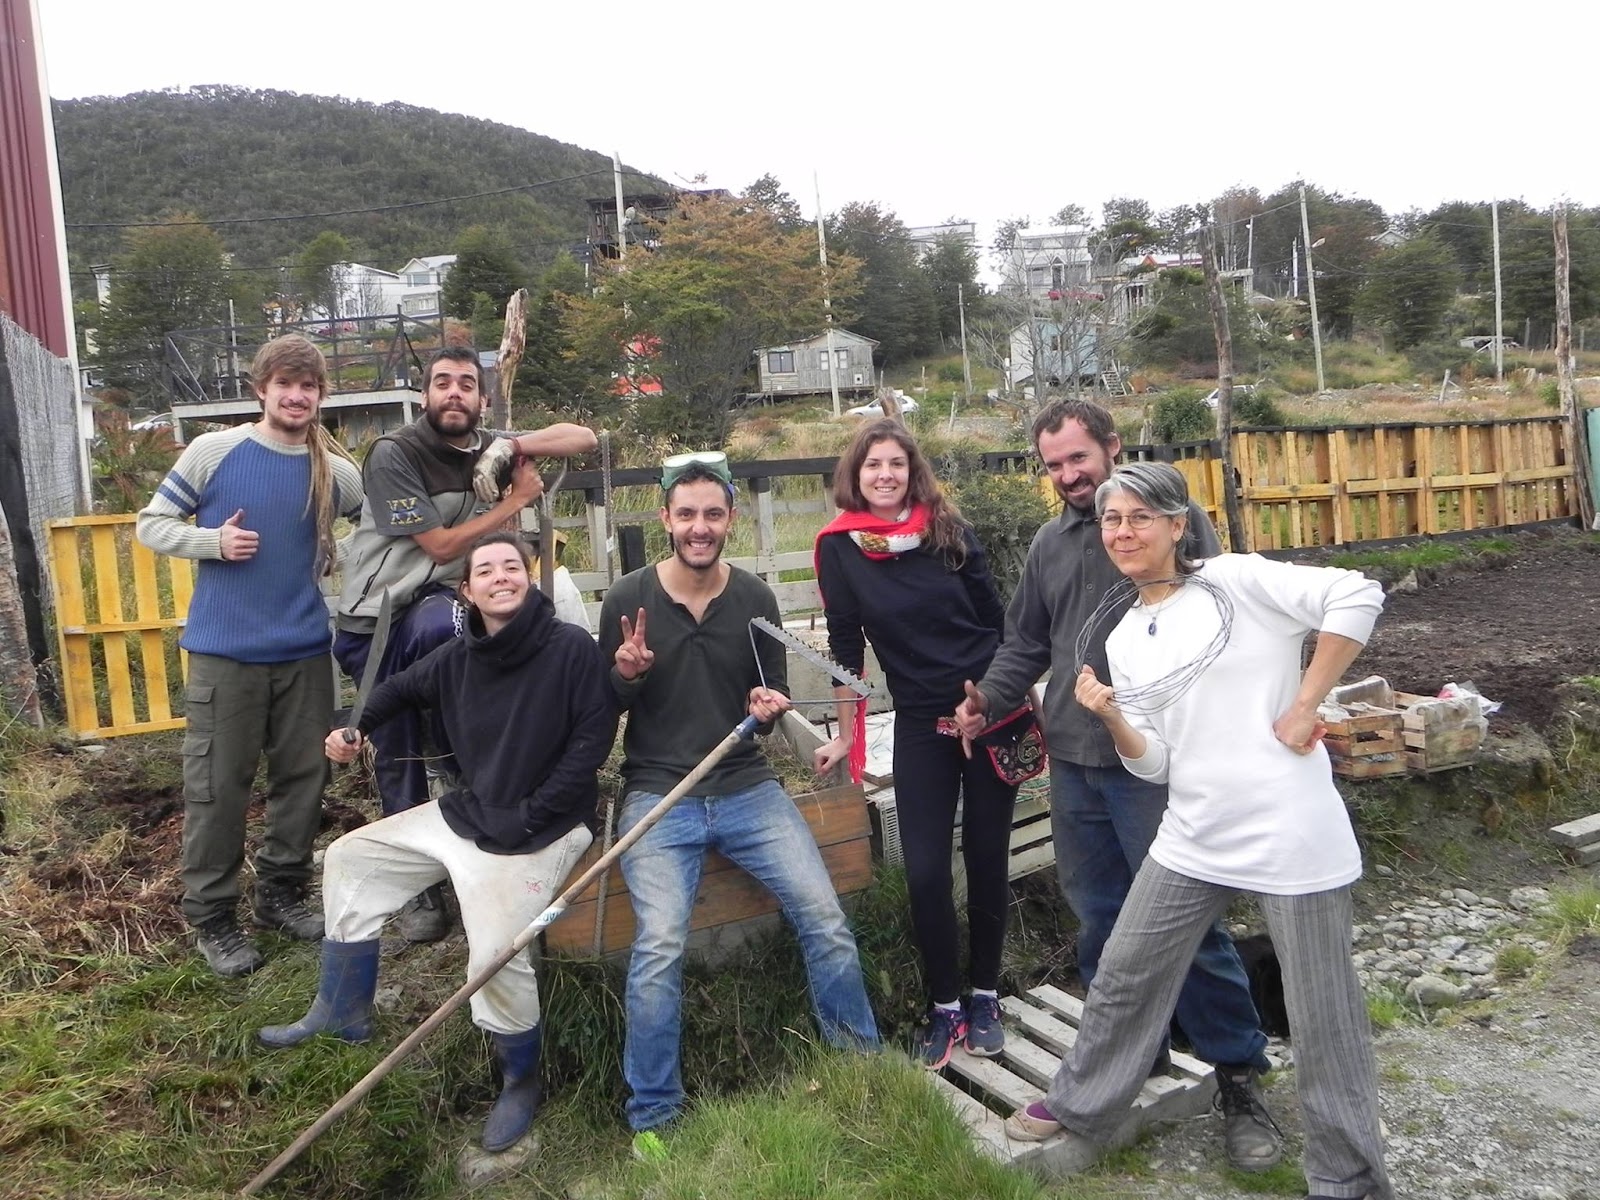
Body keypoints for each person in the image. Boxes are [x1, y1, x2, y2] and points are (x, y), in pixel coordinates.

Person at [1003, 462, 1391, 1200]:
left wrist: (1306, 703)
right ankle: (1083, 1107)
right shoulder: (1124, 634)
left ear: (1178, 525)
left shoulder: (1236, 580)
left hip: (1288, 831)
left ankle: (1348, 1179)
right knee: (1126, 971)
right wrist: (1112, 717)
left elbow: (1356, 593)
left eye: (1140, 518)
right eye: (1112, 520)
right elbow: (1155, 763)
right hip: (1192, 832)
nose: (1123, 532)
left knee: (1324, 1017)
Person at [953, 398, 1281, 1171]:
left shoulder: (1170, 522)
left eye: (1078, 457)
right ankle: (1135, 1055)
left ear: (1112, 446)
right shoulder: (1051, 543)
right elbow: (1027, 641)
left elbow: (1224, 621)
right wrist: (988, 700)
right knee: (1101, 921)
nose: (1068, 475)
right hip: (1075, 764)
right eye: (1054, 465)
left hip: (1158, 766)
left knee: (1189, 926)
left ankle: (1239, 1076)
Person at [259, 531, 616, 1155]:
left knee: (494, 956)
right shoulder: (456, 657)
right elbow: (396, 690)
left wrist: (531, 815)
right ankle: (343, 1010)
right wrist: (354, 727)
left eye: (512, 566)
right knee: (349, 858)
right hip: (473, 813)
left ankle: (519, 1077)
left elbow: (593, 742)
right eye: (487, 570)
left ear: (529, 577)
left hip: (546, 827)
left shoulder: (570, 648)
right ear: (467, 590)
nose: (501, 576)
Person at [598, 450, 880, 1141]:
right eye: (686, 514)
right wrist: (626, 675)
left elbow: (771, 699)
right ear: (665, 518)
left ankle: (862, 1069)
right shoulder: (626, 600)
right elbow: (606, 710)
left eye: (712, 514)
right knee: (659, 947)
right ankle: (655, 1117)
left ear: (730, 520)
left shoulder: (755, 599)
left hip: (746, 786)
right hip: (660, 794)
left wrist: (771, 709)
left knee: (825, 916)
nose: (699, 527)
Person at [334, 345, 598, 940]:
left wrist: (513, 446)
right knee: (400, 743)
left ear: (481, 398)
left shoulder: (485, 444)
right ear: (424, 394)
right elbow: (442, 547)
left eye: (466, 384)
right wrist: (516, 500)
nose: (454, 393)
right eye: (442, 383)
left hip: (440, 608)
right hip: (380, 623)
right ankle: (417, 887)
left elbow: (581, 437)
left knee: (478, 651)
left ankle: (476, 800)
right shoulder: (396, 453)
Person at [136, 334, 363, 978]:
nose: (297, 396)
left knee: (304, 781)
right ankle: (212, 916)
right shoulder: (215, 451)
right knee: (218, 788)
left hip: (304, 653)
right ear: (261, 389)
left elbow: (376, 528)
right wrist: (213, 542)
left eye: (309, 386)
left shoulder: (335, 471)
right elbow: (151, 524)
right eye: (285, 384)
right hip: (226, 655)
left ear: (320, 396)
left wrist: (340, 554)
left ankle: (281, 895)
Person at [812, 419, 1015, 1068]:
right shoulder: (839, 548)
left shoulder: (948, 530)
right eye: (873, 464)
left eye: (896, 464)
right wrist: (847, 737)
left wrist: (992, 697)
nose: (886, 475)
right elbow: (846, 650)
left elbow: (996, 623)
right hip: (922, 721)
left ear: (912, 470)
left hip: (986, 708)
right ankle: (945, 1004)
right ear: (856, 474)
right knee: (925, 870)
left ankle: (986, 995)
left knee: (987, 854)